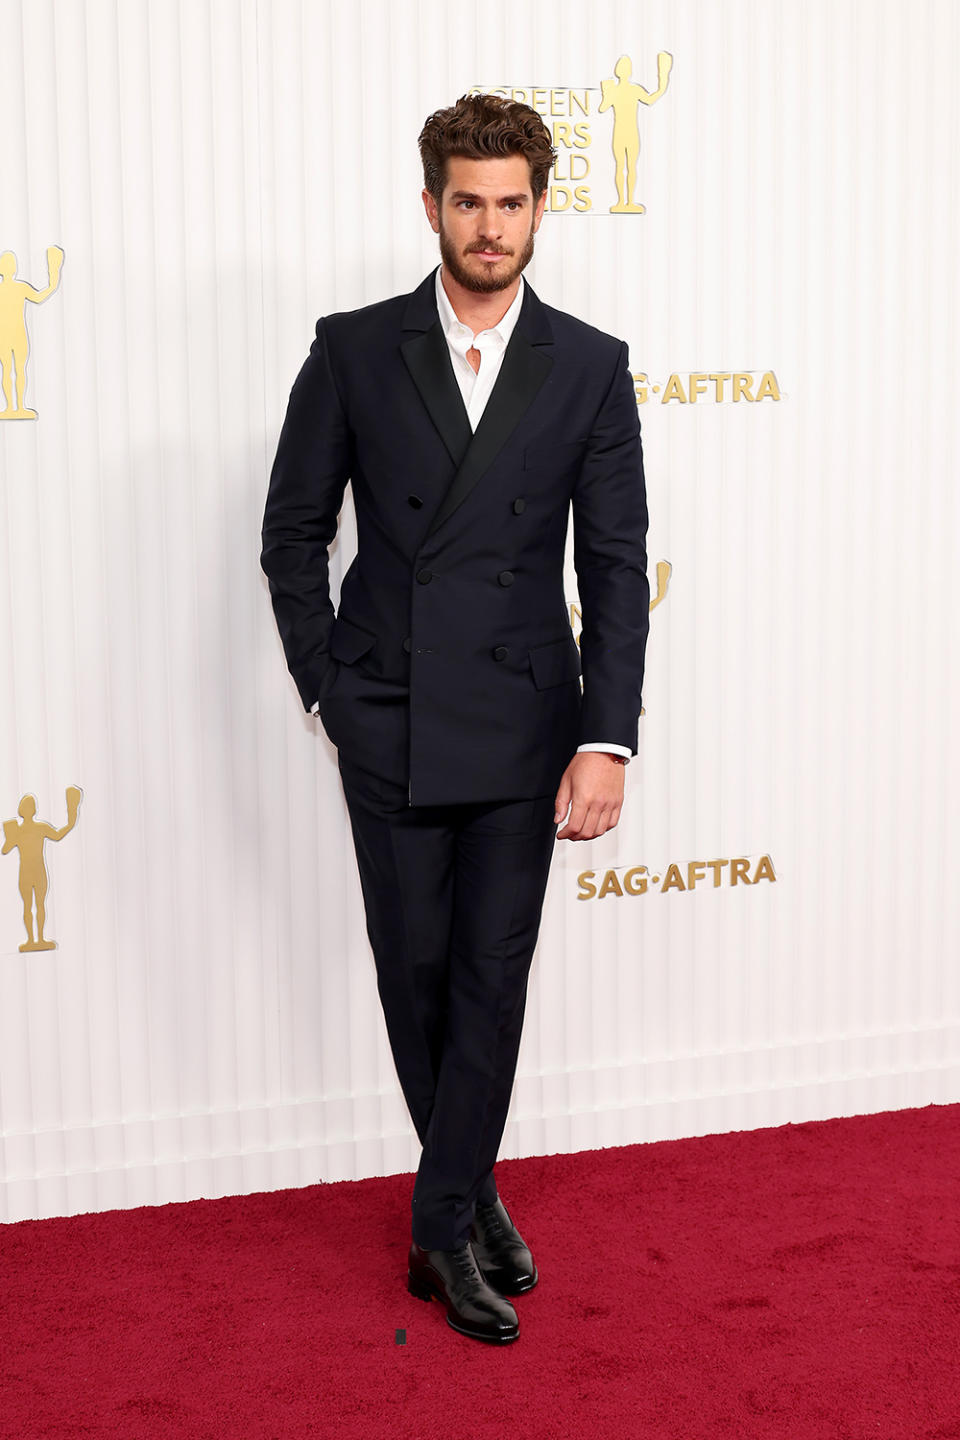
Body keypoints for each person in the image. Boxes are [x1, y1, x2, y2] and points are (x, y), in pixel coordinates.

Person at [260, 93, 650, 1345]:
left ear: (542, 206)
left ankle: (438, 1234)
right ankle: (472, 1185)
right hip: (390, 715)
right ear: (430, 206)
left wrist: (607, 734)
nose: (491, 227)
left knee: (489, 978)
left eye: (512, 201)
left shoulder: (588, 363)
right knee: (414, 974)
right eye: (468, 202)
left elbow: (618, 567)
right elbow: (293, 536)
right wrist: (331, 688)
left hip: (529, 724)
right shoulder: (355, 348)